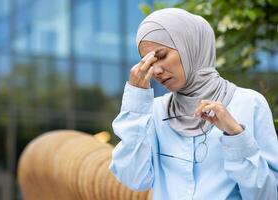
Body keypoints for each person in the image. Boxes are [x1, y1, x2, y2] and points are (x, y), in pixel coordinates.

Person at [109, 8, 278, 200]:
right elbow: (133, 179)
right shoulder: (153, 112)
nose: (155, 70)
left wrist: (236, 136)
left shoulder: (249, 104)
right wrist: (136, 101)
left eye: (161, 55)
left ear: (190, 46)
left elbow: (268, 195)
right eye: (147, 62)